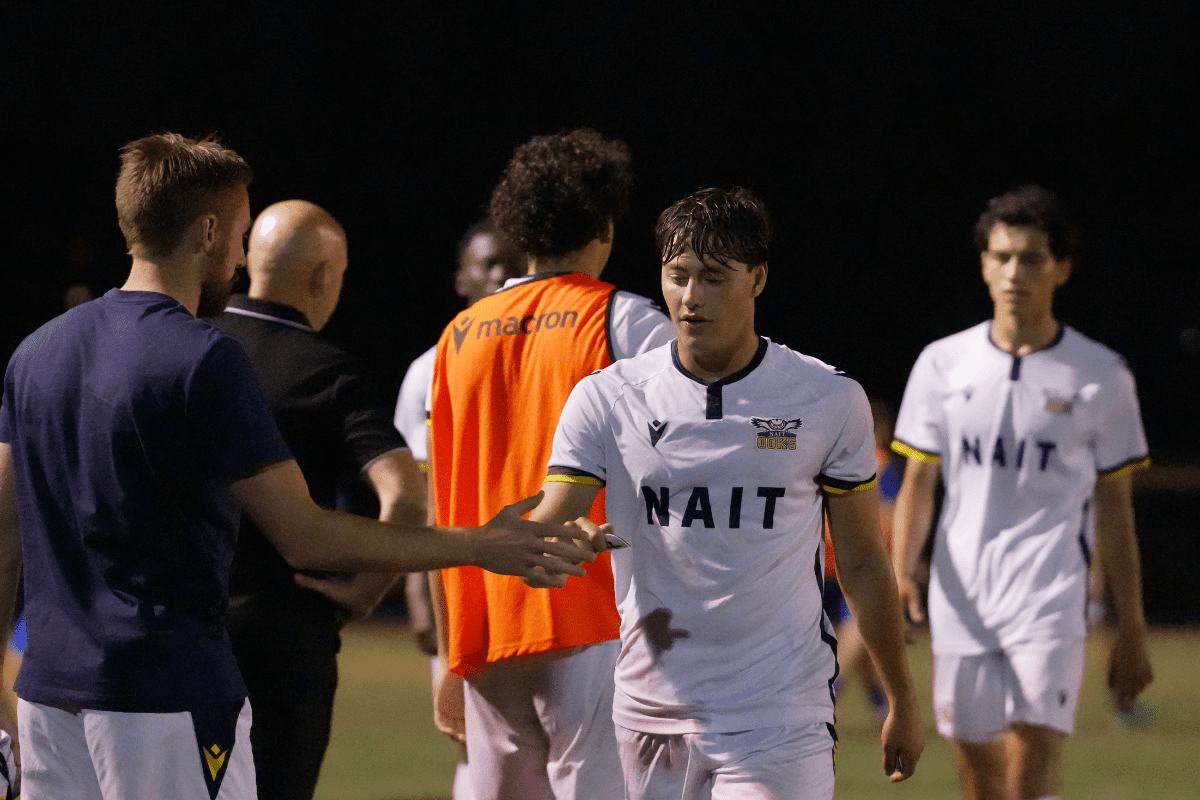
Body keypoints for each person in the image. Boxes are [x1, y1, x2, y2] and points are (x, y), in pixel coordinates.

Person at [0, 132, 598, 800]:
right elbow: (303, 532)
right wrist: (482, 543)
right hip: (162, 695)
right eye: (240, 231)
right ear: (207, 232)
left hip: (47, 700)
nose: (241, 251)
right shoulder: (202, 357)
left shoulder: (35, 353)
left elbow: (2, 529)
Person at [534, 187, 924, 799]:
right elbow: (553, 518)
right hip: (648, 708)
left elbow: (863, 560)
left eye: (713, 278)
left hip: (779, 713)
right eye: (677, 276)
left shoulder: (824, 398)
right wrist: (562, 536)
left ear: (758, 279)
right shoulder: (607, 397)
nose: (690, 298)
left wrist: (901, 696)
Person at [429, 127, 674, 799]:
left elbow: (440, 497)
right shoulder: (624, 322)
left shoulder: (457, 337)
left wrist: (454, 643)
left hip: (488, 619)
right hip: (594, 616)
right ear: (604, 220)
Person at [890, 185, 1154, 800]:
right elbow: (919, 485)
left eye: (1031, 258)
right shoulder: (942, 364)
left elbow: (1115, 511)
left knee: (1029, 769)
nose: (1014, 272)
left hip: (1050, 597)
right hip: (962, 601)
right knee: (979, 779)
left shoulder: (1101, 375)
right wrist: (902, 571)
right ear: (983, 264)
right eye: (1001, 256)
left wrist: (1132, 626)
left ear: (1061, 268)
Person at [209, 199, 424, 800]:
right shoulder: (329, 371)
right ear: (325, 277)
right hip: (284, 639)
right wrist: (364, 590)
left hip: (181, 628)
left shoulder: (189, 343)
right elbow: (406, 498)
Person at [394, 218, 526, 656]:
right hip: (459, 580)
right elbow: (421, 491)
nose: (501, 275)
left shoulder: (549, 358)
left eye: (512, 264)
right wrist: (419, 595)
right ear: (460, 279)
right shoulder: (429, 371)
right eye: (488, 264)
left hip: (541, 575)